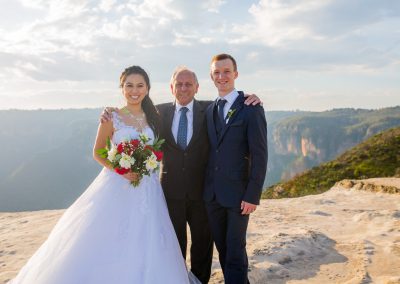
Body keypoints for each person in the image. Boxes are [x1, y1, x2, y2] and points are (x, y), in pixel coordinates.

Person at [9, 66, 190, 284]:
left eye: (140, 85)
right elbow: (98, 152)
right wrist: (121, 169)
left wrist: (243, 97)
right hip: (118, 185)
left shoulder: (154, 116)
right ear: (121, 88)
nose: (135, 90)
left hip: (148, 189)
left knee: (147, 239)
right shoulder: (112, 116)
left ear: (147, 88)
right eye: (129, 85)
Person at [101, 66, 261, 283]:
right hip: (169, 193)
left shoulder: (211, 110)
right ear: (171, 87)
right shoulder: (156, 114)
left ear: (197, 87)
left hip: (203, 193)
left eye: (188, 84)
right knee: (172, 248)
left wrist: (250, 98)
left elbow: (232, 104)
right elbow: (130, 113)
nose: (183, 88)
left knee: (203, 247)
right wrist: (109, 111)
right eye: (179, 84)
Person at [204, 54, 268, 284]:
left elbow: (260, 156)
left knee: (235, 251)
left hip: (239, 196)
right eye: (217, 72)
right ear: (212, 77)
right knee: (223, 250)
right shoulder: (210, 110)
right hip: (212, 196)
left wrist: (253, 195)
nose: (222, 76)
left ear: (236, 74)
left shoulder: (251, 108)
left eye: (226, 71)